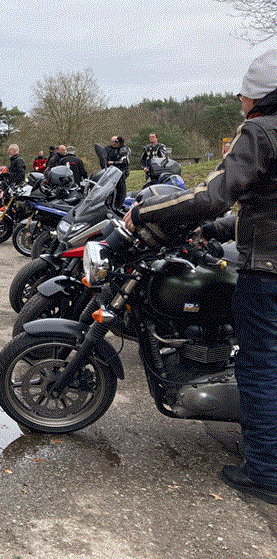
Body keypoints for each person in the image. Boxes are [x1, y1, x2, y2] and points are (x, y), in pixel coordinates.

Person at [124, 49, 277, 504]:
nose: (239, 101)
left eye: (244, 94)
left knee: (260, 365)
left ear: (259, 95)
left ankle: (266, 470)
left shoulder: (261, 130)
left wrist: (145, 211)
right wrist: (216, 229)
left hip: (267, 272)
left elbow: (213, 195)